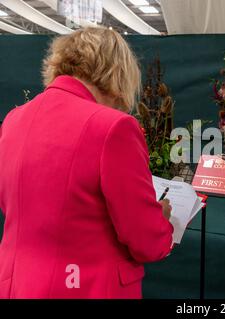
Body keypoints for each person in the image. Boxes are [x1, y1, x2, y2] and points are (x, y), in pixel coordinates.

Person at [0, 27, 173, 299]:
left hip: (16, 284)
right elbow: (144, 240)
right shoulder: (114, 127)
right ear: (118, 72)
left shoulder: (13, 120)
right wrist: (162, 221)